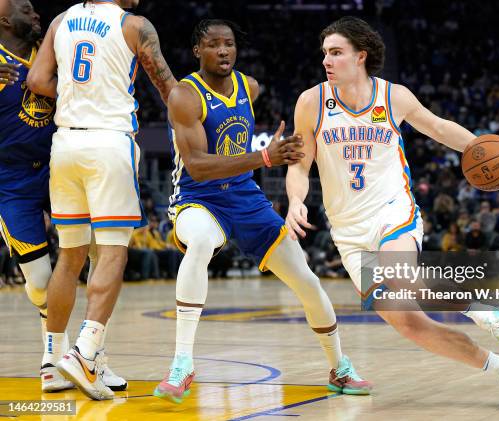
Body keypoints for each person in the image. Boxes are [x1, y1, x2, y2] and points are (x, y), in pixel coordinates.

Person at [286, 17, 499, 411]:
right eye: (325, 54)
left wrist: (486, 149)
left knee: (402, 276)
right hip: (348, 232)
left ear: (360, 55)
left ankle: (491, 315)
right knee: (411, 324)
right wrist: (296, 200)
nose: (327, 61)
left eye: (336, 52)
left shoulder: (392, 96)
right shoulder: (311, 102)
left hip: (392, 211)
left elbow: (437, 127)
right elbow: (300, 165)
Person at [153, 19, 371, 404]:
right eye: (214, 45)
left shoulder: (248, 87)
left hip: (246, 197)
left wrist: (267, 153)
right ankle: (182, 364)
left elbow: (247, 150)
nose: (223, 51)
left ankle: (340, 367)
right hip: (198, 198)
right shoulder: (185, 96)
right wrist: (264, 155)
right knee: (201, 242)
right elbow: (199, 165)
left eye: (229, 44)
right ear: (197, 51)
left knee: (307, 280)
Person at [27, 0, 176, 400]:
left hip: (66, 143)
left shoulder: (60, 20)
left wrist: (79, 91)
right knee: (113, 252)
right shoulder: (134, 25)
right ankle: (86, 353)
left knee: (70, 255)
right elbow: (169, 90)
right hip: (108, 142)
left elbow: (38, 80)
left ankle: (52, 362)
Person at [0, 0, 124, 393]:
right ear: (4, 18)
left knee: (99, 257)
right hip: (11, 181)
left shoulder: (55, 47)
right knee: (39, 282)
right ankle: (58, 355)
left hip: (59, 165)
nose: (36, 15)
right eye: (26, 10)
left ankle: (90, 357)